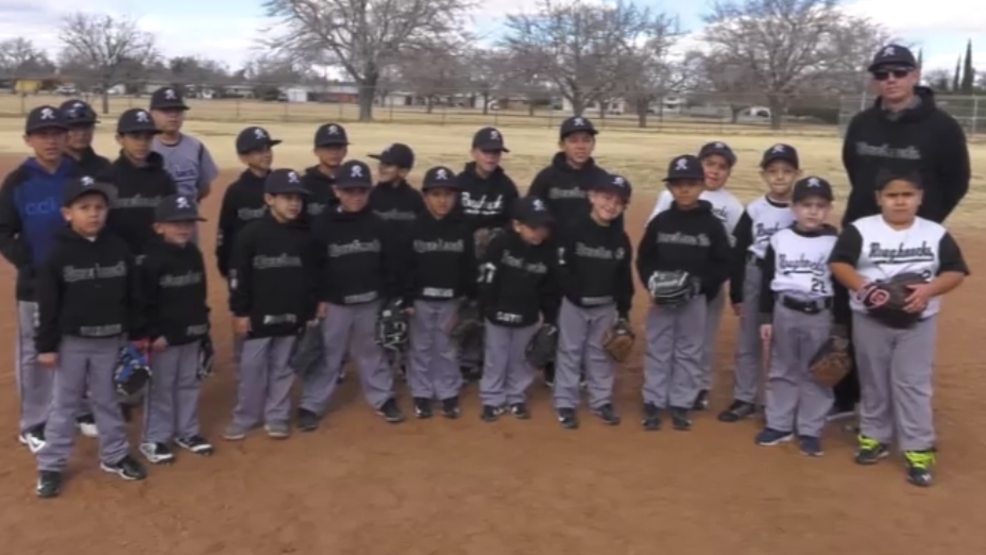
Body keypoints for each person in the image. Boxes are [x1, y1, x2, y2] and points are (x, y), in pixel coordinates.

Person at [834, 43, 971, 418]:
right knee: (853, 313)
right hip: (861, 233)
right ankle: (851, 397)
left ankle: (901, 402)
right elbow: (855, 170)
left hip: (911, 241)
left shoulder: (941, 126)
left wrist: (921, 227)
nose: (890, 79)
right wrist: (871, 219)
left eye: (898, 72)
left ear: (915, 75)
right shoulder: (863, 123)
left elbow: (957, 180)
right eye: (882, 74)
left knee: (903, 312)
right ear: (875, 81)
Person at [829, 171, 968, 487]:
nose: (900, 201)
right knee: (874, 378)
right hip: (870, 319)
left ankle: (918, 448)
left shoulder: (934, 233)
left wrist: (927, 291)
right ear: (879, 198)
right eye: (892, 195)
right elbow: (839, 263)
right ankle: (875, 436)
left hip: (918, 321)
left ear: (920, 197)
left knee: (912, 384)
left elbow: (956, 271)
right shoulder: (861, 230)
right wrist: (864, 288)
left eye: (907, 195)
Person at [34, 175, 147, 498]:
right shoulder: (56, 255)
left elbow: (133, 294)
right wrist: (46, 346)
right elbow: (48, 305)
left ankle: (114, 454)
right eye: (84, 207)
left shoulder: (119, 249)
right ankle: (51, 465)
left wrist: (137, 333)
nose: (94, 213)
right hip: (73, 342)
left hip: (111, 340)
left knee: (108, 400)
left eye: (99, 207)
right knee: (64, 404)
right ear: (67, 213)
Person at [302, 160, 405, 428]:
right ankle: (312, 403)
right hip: (336, 303)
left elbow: (390, 264)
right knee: (329, 354)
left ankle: (382, 397)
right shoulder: (323, 223)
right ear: (337, 191)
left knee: (371, 351)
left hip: (370, 301)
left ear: (368, 192)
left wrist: (390, 298)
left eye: (361, 190)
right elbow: (313, 265)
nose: (355, 196)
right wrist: (317, 298)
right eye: (349, 191)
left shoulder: (379, 224)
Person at [225, 169, 324, 441]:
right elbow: (238, 275)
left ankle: (277, 416)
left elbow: (313, 274)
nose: (294, 204)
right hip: (258, 317)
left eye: (298, 199)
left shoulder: (304, 236)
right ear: (269, 199)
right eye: (287, 198)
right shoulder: (251, 234)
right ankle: (245, 416)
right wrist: (240, 311)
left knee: (284, 368)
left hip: (292, 315)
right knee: (251, 370)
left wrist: (311, 307)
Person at [0, 105, 77, 453]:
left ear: (66, 137)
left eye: (57, 133)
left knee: (73, 345)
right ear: (28, 139)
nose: (51, 140)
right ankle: (34, 423)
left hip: (77, 278)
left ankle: (67, 411)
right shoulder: (18, 181)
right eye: (42, 134)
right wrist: (28, 263)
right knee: (34, 352)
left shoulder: (77, 175)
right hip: (35, 284)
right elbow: (4, 231)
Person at [636, 155, 732, 432]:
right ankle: (654, 401)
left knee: (690, 349)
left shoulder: (712, 225)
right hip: (662, 299)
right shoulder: (661, 222)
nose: (684, 189)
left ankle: (681, 403)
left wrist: (700, 286)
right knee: (658, 347)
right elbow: (645, 258)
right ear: (670, 188)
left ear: (702, 186)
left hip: (695, 298)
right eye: (677, 184)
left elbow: (723, 263)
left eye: (690, 183)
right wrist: (651, 284)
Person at [647, 141, 744, 410]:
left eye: (722, 167)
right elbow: (653, 234)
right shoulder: (670, 196)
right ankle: (662, 387)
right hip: (669, 281)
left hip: (707, 285)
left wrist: (717, 283)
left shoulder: (733, 206)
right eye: (710, 164)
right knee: (666, 337)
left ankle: (699, 386)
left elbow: (733, 251)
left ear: (729, 173)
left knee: (701, 339)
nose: (715, 171)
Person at [755, 176, 839, 456]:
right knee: (783, 367)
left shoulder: (835, 242)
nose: (813, 211)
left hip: (819, 312)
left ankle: (810, 429)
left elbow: (840, 285)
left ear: (828, 209)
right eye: (806, 205)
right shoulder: (780, 239)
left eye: (820, 205)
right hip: (784, 309)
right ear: (793, 208)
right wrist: (765, 317)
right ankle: (779, 424)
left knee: (818, 370)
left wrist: (839, 326)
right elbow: (768, 280)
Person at [527, 115, 612, 387]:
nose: (580, 146)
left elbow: (613, 217)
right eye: (573, 140)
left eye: (586, 140)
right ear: (562, 144)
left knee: (586, 312)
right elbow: (532, 213)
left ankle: (583, 366)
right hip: (553, 258)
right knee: (554, 312)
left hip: (588, 259)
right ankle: (554, 364)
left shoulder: (601, 179)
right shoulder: (547, 178)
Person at [718, 144, 799, 423]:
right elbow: (739, 252)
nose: (780, 177)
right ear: (763, 174)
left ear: (797, 174)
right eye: (773, 171)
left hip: (789, 278)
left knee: (784, 342)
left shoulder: (801, 209)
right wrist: (737, 292)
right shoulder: (754, 209)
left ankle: (778, 401)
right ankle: (745, 397)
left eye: (787, 171)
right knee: (749, 339)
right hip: (756, 274)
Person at [552, 173, 634, 429]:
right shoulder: (573, 229)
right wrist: (574, 293)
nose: (611, 205)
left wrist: (623, 312)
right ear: (592, 196)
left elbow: (624, 278)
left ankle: (601, 401)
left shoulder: (620, 239)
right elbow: (562, 267)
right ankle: (565, 401)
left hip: (605, 305)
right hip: (575, 304)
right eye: (606, 197)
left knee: (601, 354)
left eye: (618, 202)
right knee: (570, 351)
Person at [138, 194, 213, 464]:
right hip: (164, 339)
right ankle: (154, 438)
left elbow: (199, 295)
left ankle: (188, 431)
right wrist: (153, 332)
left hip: (191, 332)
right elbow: (143, 302)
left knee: (188, 383)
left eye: (188, 223)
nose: (183, 228)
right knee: (161, 388)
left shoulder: (193, 254)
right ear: (159, 227)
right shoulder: (150, 260)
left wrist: (204, 330)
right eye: (176, 223)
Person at [476, 196, 560, 422]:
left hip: (528, 315)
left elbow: (550, 288)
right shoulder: (501, 244)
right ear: (517, 225)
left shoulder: (547, 251)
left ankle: (516, 397)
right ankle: (492, 399)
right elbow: (487, 278)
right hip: (498, 313)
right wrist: (487, 308)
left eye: (544, 227)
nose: (539, 233)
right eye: (533, 227)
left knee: (522, 359)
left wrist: (550, 318)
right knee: (496, 357)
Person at [402, 166, 476, 419]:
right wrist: (408, 298)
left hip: (451, 300)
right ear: (425, 197)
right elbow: (406, 266)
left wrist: (466, 299)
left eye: (448, 194)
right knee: (421, 347)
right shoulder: (414, 228)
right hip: (421, 300)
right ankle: (421, 394)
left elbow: (468, 266)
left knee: (447, 347)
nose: (442, 200)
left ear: (455, 198)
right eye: (436, 194)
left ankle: (447, 393)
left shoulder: (461, 228)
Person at [454, 127, 519, 383]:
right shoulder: (459, 183)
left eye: (496, 152)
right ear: (473, 152)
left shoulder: (506, 187)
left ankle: (481, 358)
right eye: (486, 151)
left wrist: (494, 235)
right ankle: (460, 358)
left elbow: (515, 224)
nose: (491, 157)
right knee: (463, 308)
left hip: (493, 259)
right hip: (463, 256)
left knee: (487, 307)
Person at [216, 126, 280, 370]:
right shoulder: (236, 191)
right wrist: (226, 265)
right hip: (245, 268)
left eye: (268, 149)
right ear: (243, 157)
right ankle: (245, 365)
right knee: (245, 317)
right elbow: (225, 231)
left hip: (275, 266)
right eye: (258, 151)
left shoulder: (281, 186)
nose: (266, 154)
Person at [102, 108, 179, 258]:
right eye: (135, 137)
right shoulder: (107, 177)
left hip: (156, 260)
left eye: (147, 138)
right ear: (120, 139)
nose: (142, 143)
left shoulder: (164, 179)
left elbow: (172, 221)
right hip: (119, 261)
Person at [148, 86, 218, 243]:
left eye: (178, 111)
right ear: (152, 114)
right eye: (166, 111)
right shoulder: (145, 147)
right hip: (155, 226)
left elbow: (204, 188)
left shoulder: (196, 147)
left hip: (187, 226)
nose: (173, 115)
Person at [300, 122, 349, 223]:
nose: (333, 152)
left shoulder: (352, 182)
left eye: (338, 147)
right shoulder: (304, 184)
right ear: (316, 151)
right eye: (328, 147)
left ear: (345, 151)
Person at [59, 100, 110, 175]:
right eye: (74, 128)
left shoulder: (104, 166)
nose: (81, 133)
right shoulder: (51, 166)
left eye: (86, 127)